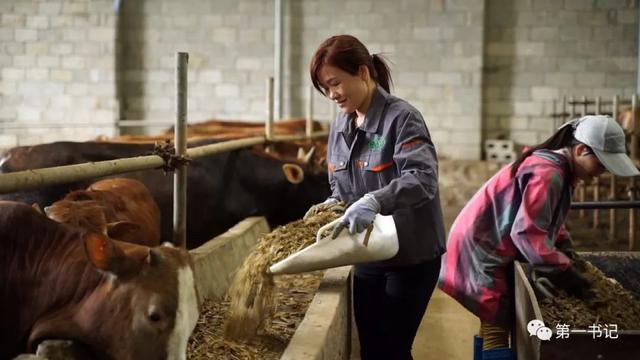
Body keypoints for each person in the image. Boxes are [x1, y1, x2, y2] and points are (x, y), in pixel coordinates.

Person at [438, 115, 640, 357]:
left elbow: (545, 219)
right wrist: (565, 271)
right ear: (581, 150)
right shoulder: (548, 173)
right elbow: (526, 233)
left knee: (492, 324)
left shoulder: (557, 169)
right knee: (497, 327)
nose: (604, 171)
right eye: (602, 163)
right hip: (483, 253)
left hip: (483, 245)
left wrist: (565, 247)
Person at [305, 34, 446, 360]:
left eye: (335, 83)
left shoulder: (402, 118)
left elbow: (422, 178)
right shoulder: (341, 122)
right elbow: (342, 181)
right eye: (325, 89)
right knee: (370, 348)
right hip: (368, 253)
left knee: (393, 349)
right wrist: (334, 203)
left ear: (363, 72)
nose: (331, 95)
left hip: (412, 255)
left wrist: (374, 201)